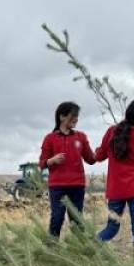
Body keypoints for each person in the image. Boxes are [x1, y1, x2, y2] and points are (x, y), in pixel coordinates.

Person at [94, 98, 134, 253]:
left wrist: (97, 151)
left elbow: (99, 156)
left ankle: (89, 248)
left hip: (116, 190)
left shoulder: (112, 131)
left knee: (111, 228)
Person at [39, 101, 97, 237]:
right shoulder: (50, 138)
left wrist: (106, 149)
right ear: (62, 117)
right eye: (73, 116)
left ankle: (78, 253)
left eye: (77, 116)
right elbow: (41, 163)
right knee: (57, 219)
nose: (76, 119)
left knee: (77, 221)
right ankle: (52, 251)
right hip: (57, 187)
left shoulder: (81, 137)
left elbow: (91, 159)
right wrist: (51, 161)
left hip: (77, 186)